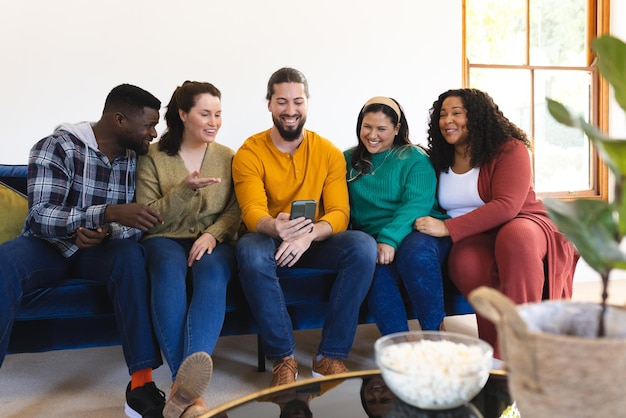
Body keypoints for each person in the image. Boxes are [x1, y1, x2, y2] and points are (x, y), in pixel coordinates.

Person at [0, 84, 168, 418]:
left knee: (132, 258)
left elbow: (137, 221)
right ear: (120, 120)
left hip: (101, 250)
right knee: (4, 262)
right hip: (46, 246)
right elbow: (42, 215)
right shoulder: (56, 147)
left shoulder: (139, 159)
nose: (153, 133)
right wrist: (104, 213)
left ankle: (141, 384)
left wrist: (108, 229)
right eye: (149, 124)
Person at [232, 67, 377, 388]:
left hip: (315, 240)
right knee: (250, 250)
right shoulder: (249, 152)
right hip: (268, 239)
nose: (290, 110)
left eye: (297, 101)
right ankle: (284, 358)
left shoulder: (327, 152)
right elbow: (252, 211)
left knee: (363, 246)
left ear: (307, 103)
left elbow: (339, 212)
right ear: (269, 104)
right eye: (281, 102)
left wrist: (308, 235)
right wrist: (275, 227)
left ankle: (330, 355)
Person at [415, 88, 579, 358]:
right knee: (464, 263)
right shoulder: (439, 158)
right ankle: (499, 353)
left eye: (457, 113)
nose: (448, 120)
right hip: (474, 235)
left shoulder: (510, 149)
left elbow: (507, 205)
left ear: (478, 116)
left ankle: (520, 348)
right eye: (443, 115)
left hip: (523, 221)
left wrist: (447, 228)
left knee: (515, 239)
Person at [136, 81, 241, 418]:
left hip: (213, 239)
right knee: (167, 272)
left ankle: (183, 395)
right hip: (164, 237)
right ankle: (191, 395)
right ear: (183, 114)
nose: (214, 121)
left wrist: (212, 235)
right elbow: (147, 216)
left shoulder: (227, 156)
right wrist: (184, 190)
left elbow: (235, 210)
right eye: (205, 114)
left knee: (212, 274)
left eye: (218, 114)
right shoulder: (153, 157)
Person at [344, 96, 451, 335]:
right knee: (374, 271)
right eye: (367, 126)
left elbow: (416, 205)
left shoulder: (414, 158)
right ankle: (398, 349)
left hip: (418, 229)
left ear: (396, 129)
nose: (373, 135)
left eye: (382, 129)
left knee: (415, 252)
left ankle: (436, 335)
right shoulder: (347, 160)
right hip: (374, 238)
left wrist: (389, 239)